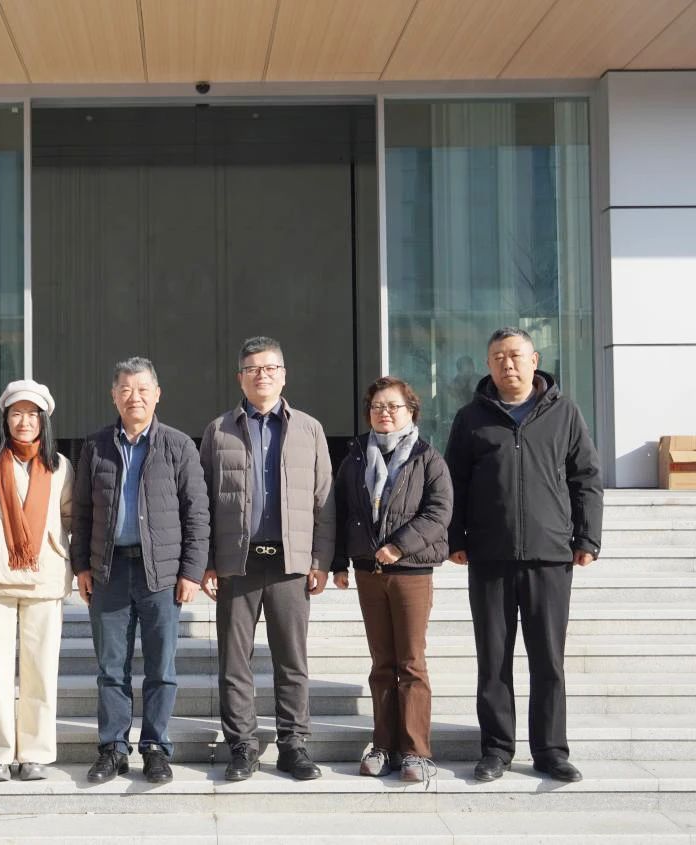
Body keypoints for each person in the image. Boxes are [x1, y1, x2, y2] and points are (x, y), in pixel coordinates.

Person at [445, 327, 603, 784]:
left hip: (549, 554)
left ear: (535, 360)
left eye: (515, 355)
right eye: (497, 357)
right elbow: (454, 483)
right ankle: (496, 749)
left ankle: (550, 751)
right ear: (488, 364)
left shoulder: (564, 412)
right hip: (489, 555)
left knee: (548, 660)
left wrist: (587, 538)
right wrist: (455, 538)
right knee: (493, 659)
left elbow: (586, 478)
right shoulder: (471, 418)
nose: (507, 364)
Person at [200, 336, 336, 782]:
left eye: (270, 367)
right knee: (234, 661)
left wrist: (321, 559)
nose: (262, 375)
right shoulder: (219, 430)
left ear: (283, 375)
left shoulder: (309, 429)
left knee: (291, 661)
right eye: (253, 368)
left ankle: (293, 745)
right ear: (240, 377)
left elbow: (324, 500)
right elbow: (202, 502)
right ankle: (242, 746)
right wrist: (206, 561)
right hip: (236, 563)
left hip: (289, 564)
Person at [72, 357, 210, 785]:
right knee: (111, 669)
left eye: (143, 389)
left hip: (161, 575)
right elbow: (81, 512)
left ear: (157, 394)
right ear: (114, 396)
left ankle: (155, 748)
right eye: (126, 389)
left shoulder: (178, 446)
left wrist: (191, 572)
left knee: (160, 669)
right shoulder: (96, 446)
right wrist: (81, 565)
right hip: (109, 571)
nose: (135, 397)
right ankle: (113, 748)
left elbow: (197, 513)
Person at [331, 376, 452, 783]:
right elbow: (340, 511)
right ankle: (383, 745)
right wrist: (339, 563)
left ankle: (417, 751)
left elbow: (439, 512)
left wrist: (400, 546)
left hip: (410, 572)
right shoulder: (355, 458)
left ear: (411, 411)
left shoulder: (427, 457)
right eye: (377, 406)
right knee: (382, 663)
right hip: (369, 572)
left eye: (393, 406)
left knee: (411, 662)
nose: (384, 413)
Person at [0, 380, 73, 783]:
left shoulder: (60, 466)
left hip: (45, 577)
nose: (24, 421)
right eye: (16, 413)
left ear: (44, 420)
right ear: (5, 419)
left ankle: (35, 754)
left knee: (41, 669)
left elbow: (72, 519)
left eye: (32, 414)